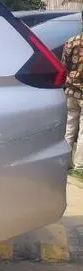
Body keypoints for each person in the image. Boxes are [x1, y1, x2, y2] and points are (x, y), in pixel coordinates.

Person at [62, 30, 83, 170]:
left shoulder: (71, 41)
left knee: (69, 128)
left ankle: (64, 162)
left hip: (71, 91)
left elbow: (63, 66)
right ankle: (80, 165)